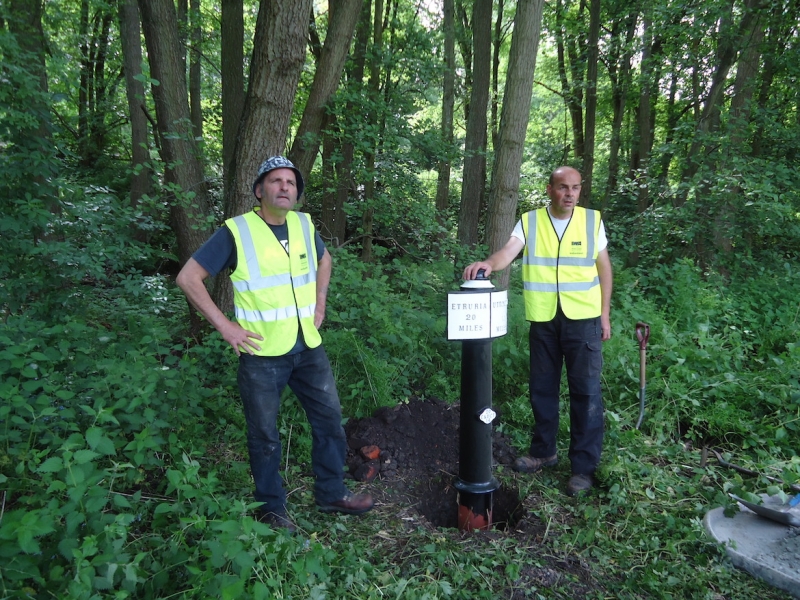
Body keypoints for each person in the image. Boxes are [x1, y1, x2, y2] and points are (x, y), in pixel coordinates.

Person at [176, 156, 374, 532]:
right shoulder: (237, 231)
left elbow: (325, 260)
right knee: (265, 435)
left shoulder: (302, 224)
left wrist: (320, 302)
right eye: (276, 181)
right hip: (262, 353)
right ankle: (271, 508)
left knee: (330, 420)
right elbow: (188, 277)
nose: (285, 187)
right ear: (259, 191)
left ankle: (331, 493)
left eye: (291, 182)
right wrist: (225, 327)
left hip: (307, 346)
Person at [463, 166, 612, 496]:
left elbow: (604, 269)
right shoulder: (530, 221)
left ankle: (583, 469)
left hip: (583, 321)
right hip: (544, 320)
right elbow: (508, 251)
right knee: (542, 389)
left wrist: (604, 315)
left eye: (575, 187)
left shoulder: (592, 221)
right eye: (562, 187)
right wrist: (488, 264)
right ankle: (543, 451)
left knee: (585, 394)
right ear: (550, 189)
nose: (569, 194)